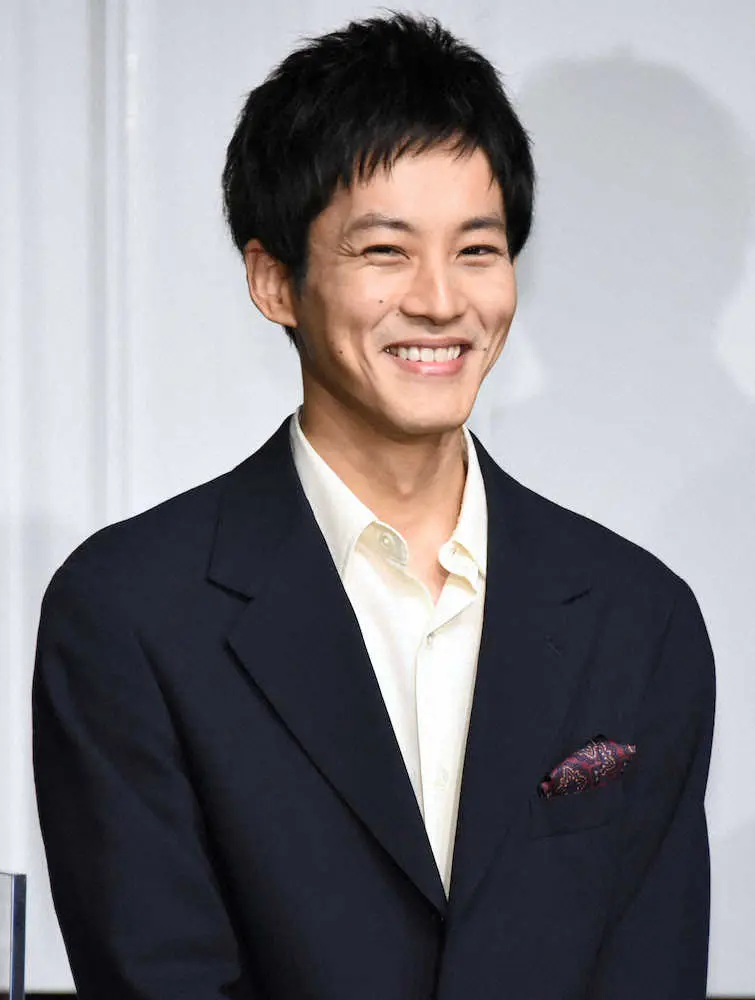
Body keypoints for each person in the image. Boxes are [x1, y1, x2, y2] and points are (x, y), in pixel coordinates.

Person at [32, 13, 715, 1000]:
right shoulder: (131, 611)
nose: (440, 301)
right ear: (275, 280)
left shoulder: (637, 617)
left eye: (476, 249)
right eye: (386, 251)